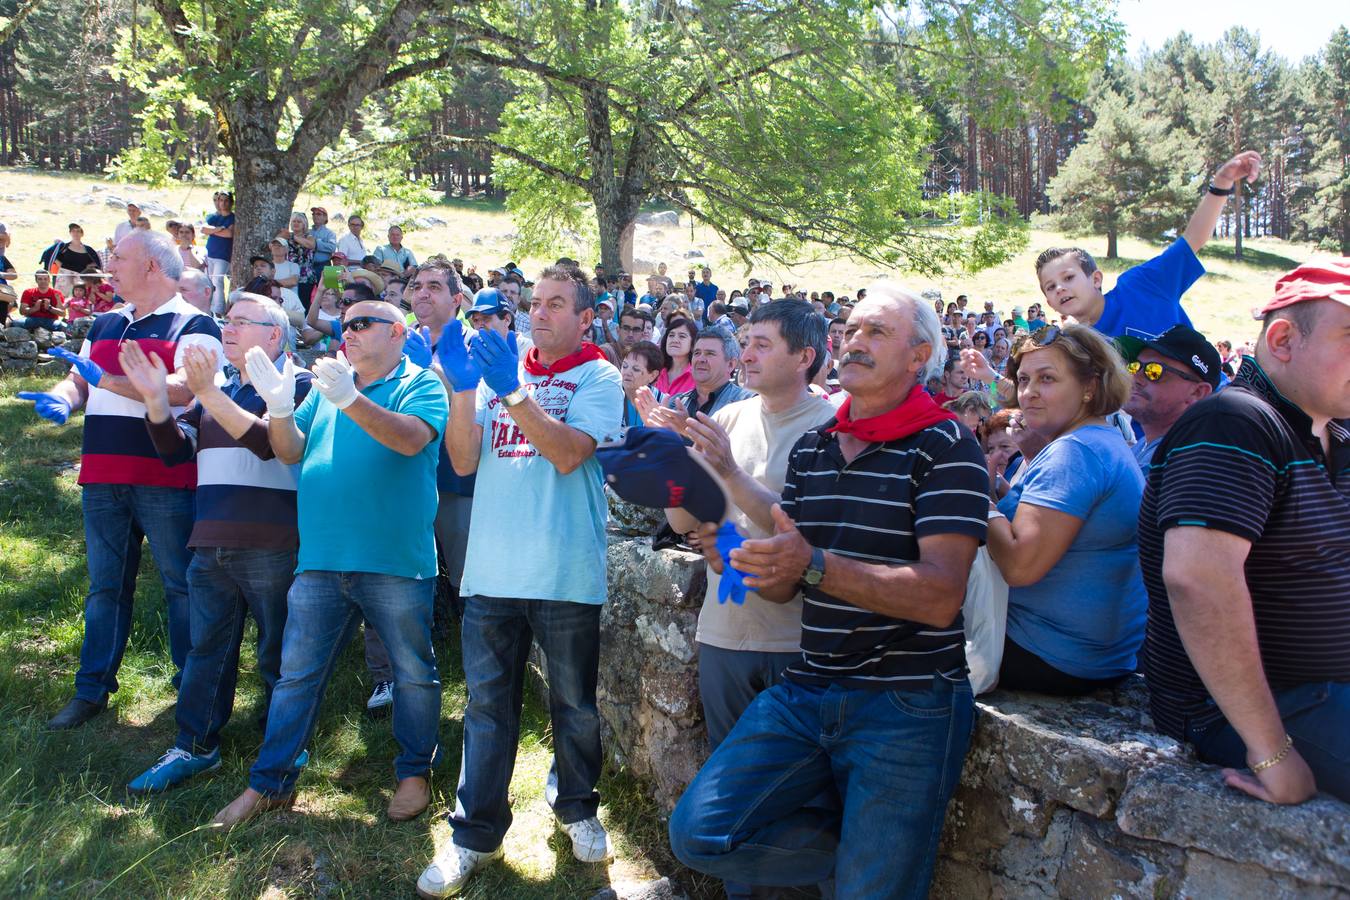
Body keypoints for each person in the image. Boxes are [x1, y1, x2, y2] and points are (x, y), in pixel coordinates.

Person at [668, 283, 987, 898]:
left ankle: (877, 867)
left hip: (907, 703)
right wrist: (754, 558)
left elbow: (939, 596)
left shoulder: (947, 446)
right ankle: (872, 860)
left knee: (874, 885)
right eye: (851, 331)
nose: (855, 342)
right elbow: (793, 567)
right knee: (702, 833)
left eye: (877, 332)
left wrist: (809, 565)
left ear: (920, 356)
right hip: (811, 688)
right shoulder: (817, 448)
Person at [418, 265, 623, 898]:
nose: (539, 313)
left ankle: (577, 808)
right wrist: (459, 389)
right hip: (492, 569)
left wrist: (509, 390)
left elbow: (566, 453)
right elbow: (462, 458)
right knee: (486, 708)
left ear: (586, 318)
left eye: (556, 304)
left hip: (564, 569)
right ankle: (473, 834)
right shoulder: (501, 367)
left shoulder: (600, 375)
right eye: (534, 303)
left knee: (574, 706)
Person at [211, 297, 448, 828]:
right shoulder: (326, 387)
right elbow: (290, 450)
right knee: (296, 677)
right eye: (345, 325)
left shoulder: (420, 383)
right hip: (320, 558)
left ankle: (413, 774)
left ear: (397, 332)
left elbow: (410, 440)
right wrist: (276, 406)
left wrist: (349, 399)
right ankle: (268, 785)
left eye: (363, 324)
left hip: (393, 561)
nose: (350, 332)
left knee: (412, 674)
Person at [1138, 260, 1350, 804]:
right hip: (1253, 708)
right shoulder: (1235, 421)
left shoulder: (1337, 432)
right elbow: (1197, 580)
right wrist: (1271, 750)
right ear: (1282, 338)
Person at [663, 300, 835, 900]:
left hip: (800, 645)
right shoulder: (729, 418)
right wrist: (674, 462)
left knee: (801, 796)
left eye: (763, 343)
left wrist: (729, 472)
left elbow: (812, 535)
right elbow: (685, 517)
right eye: (746, 341)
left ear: (805, 357)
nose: (747, 354)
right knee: (731, 796)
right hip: (725, 633)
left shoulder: (835, 427)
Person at [19, 230, 223, 730]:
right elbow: (79, 376)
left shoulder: (196, 324)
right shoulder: (108, 320)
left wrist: (103, 379)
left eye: (118, 257)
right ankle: (91, 691)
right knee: (105, 587)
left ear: (153, 266)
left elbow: (181, 392)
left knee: (181, 586)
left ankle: (189, 690)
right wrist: (65, 397)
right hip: (103, 474)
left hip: (165, 476)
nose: (108, 265)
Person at [121, 293, 311, 791]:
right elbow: (175, 453)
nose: (227, 328)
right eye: (227, 320)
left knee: (280, 650)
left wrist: (206, 394)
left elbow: (270, 445)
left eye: (241, 321)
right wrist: (157, 402)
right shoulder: (220, 387)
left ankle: (285, 747)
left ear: (274, 335)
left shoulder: (300, 383)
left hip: (273, 543)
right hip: (211, 542)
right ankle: (194, 745)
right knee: (207, 649)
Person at [985, 325, 1145, 695]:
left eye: (1047, 379)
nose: (1029, 393)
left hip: (1051, 654)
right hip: (1094, 655)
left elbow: (1020, 566)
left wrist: (970, 499)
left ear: (1089, 386)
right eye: (1023, 379)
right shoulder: (1100, 440)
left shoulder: (1076, 452)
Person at [1036, 151, 1262, 340]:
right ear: (1049, 303)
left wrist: (1222, 183)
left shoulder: (1140, 286)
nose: (1060, 289)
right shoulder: (1076, 348)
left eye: (1068, 278)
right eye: (1050, 286)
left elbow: (1193, 239)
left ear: (1096, 279)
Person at [407, 261, 476, 620]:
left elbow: (474, 403)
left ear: (457, 298)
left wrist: (429, 371)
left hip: (454, 476)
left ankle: (468, 647)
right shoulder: (397, 341)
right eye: (417, 285)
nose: (422, 292)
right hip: (405, 472)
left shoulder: (474, 343)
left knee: (463, 573)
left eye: (434, 286)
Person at [1118, 325, 1220, 468]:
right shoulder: (1146, 445)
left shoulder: (1187, 463)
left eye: (1154, 371)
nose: (1136, 378)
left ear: (1197, 393)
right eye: (1134, 366)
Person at [644, 327, 753, 430]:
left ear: (730, 364)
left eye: (710, 354)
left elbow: (733, 448)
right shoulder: (675, 403)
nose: (701, 359)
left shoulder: (746, 403)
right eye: (697, 353)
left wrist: (686, 431)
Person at [201, 191, 235, 315]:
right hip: (210, 253)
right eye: (221, 200)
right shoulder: (214, 217)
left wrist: (212, 231)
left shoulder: (232, 217)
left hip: (223, 254)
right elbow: (204, 229)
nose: (223, 203)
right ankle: (208, 307)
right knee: (208, 281)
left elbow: (229, 234)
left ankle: (218, 309)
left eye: (226, 200)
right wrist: (219, 229)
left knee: (217, 281)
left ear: (231, 202)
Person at [620, 341, 663, 427]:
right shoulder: (611, 395)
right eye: (624, 366)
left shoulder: (662, 402)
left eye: (636, 369)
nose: (627, 372)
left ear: (653, 375)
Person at [655, 317, 697, 396]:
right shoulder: (656, 372)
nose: (674, 340)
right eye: (671, 335)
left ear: (693, 343)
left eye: (682, 336)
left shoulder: (698, 376)